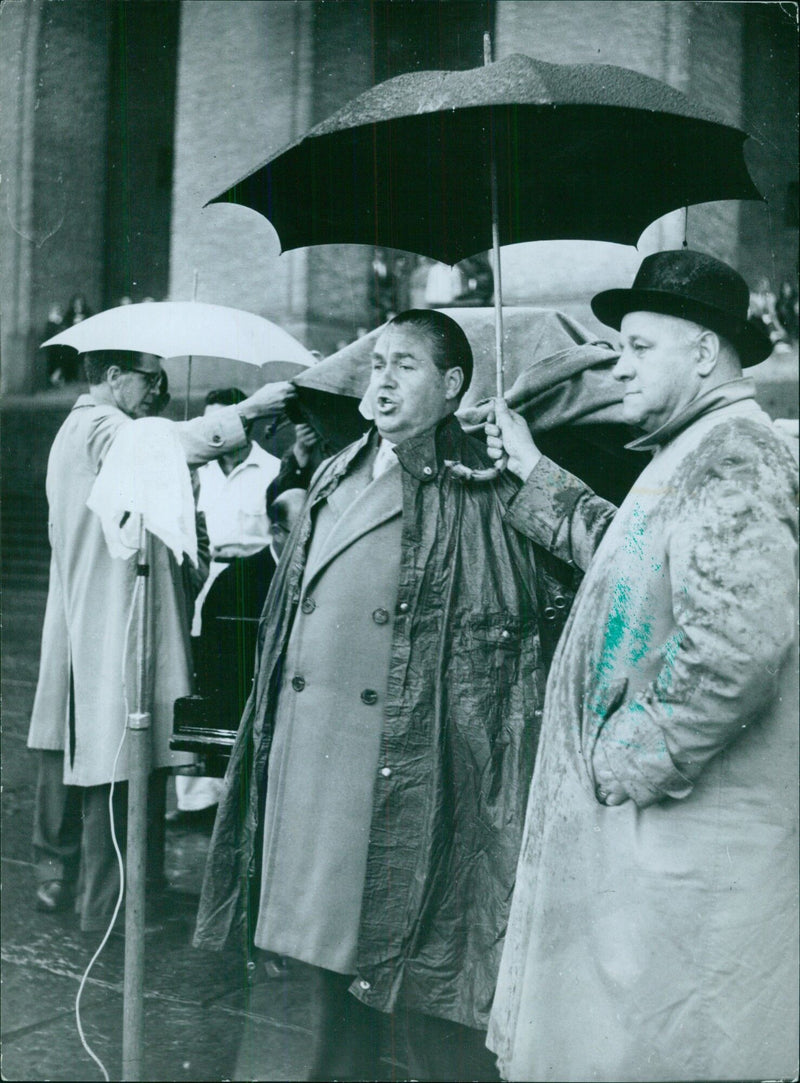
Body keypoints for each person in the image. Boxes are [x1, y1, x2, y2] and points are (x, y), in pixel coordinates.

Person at [194, 309, 580, 1082]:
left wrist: (524, 466)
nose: (382, 379)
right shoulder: (339, 466)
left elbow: (571, 575)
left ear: (452, 385)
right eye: (377, 364)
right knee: (330, 984)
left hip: (406, 769)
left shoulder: (480, 474)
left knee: (427, 991)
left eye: (405, 365)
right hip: (315, 762)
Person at [484, 250, 799, 1082]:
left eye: (635, 345)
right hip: (660, 845)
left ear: (703, 351)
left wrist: (630, 757)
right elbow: (625, 566)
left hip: (686, 849)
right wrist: (530, 470)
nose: (617, 366)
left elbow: (736, 649)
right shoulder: (691, 449)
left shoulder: (733, 458)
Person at [27, 349, 292, 932]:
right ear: (115, 378)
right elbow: (165, 445)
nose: (161, 391)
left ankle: (129, 891)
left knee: (125, 756)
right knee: (119, 757)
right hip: (112, 619)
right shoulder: (99, 425)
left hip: (108, 615)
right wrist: (247, 411)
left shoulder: (92, 427)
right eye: (152, 379)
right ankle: (111, 907)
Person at [171, 387, 282, 824]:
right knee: (203, 674)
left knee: (245, 679)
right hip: (209, 580)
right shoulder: (196, 473)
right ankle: (196, 797)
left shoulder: (271, 469)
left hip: (254, 583)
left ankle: (239, 792)